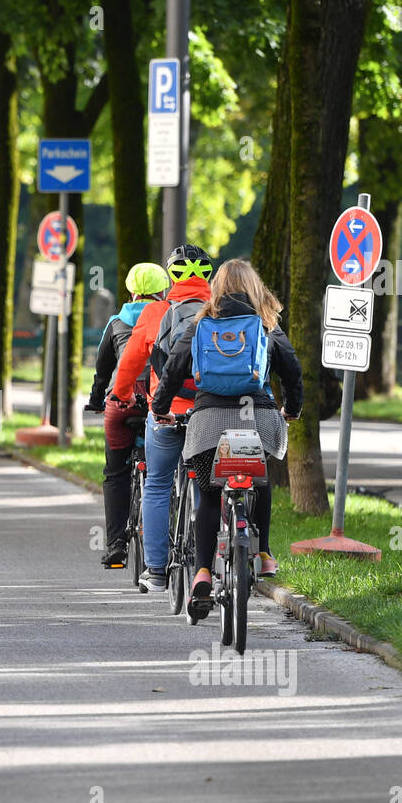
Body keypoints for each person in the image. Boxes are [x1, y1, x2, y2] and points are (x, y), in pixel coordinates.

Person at [152, 258, 303, 621]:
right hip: (258, 420)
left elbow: (173, 367)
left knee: (208, 494)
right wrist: (292, 409)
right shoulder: (266, 322)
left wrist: (160, 407)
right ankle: (264, 553)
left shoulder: (203, 322)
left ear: (216, 288)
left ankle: (202, 570)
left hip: (208, 423)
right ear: (254, 287)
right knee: (259, 480)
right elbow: (292, 370)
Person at [105, 245, 214, 587]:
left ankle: (155, 571)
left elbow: (129, 366)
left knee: (157, 484)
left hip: (165, 414)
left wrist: (121, 396)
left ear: (172, 278)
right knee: (208, 483)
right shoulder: (222, 311)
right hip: (208, 412)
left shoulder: (155, 313)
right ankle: (204, 565)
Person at [87, 262, 169, 568]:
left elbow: (102, 370)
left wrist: (96, 401)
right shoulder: (168, 319)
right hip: (157, 403)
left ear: (131, 291)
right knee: (163, 473)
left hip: (121, 405)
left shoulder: (116, 322)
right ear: (163, 291)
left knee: (115, 472)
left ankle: (116, 544)